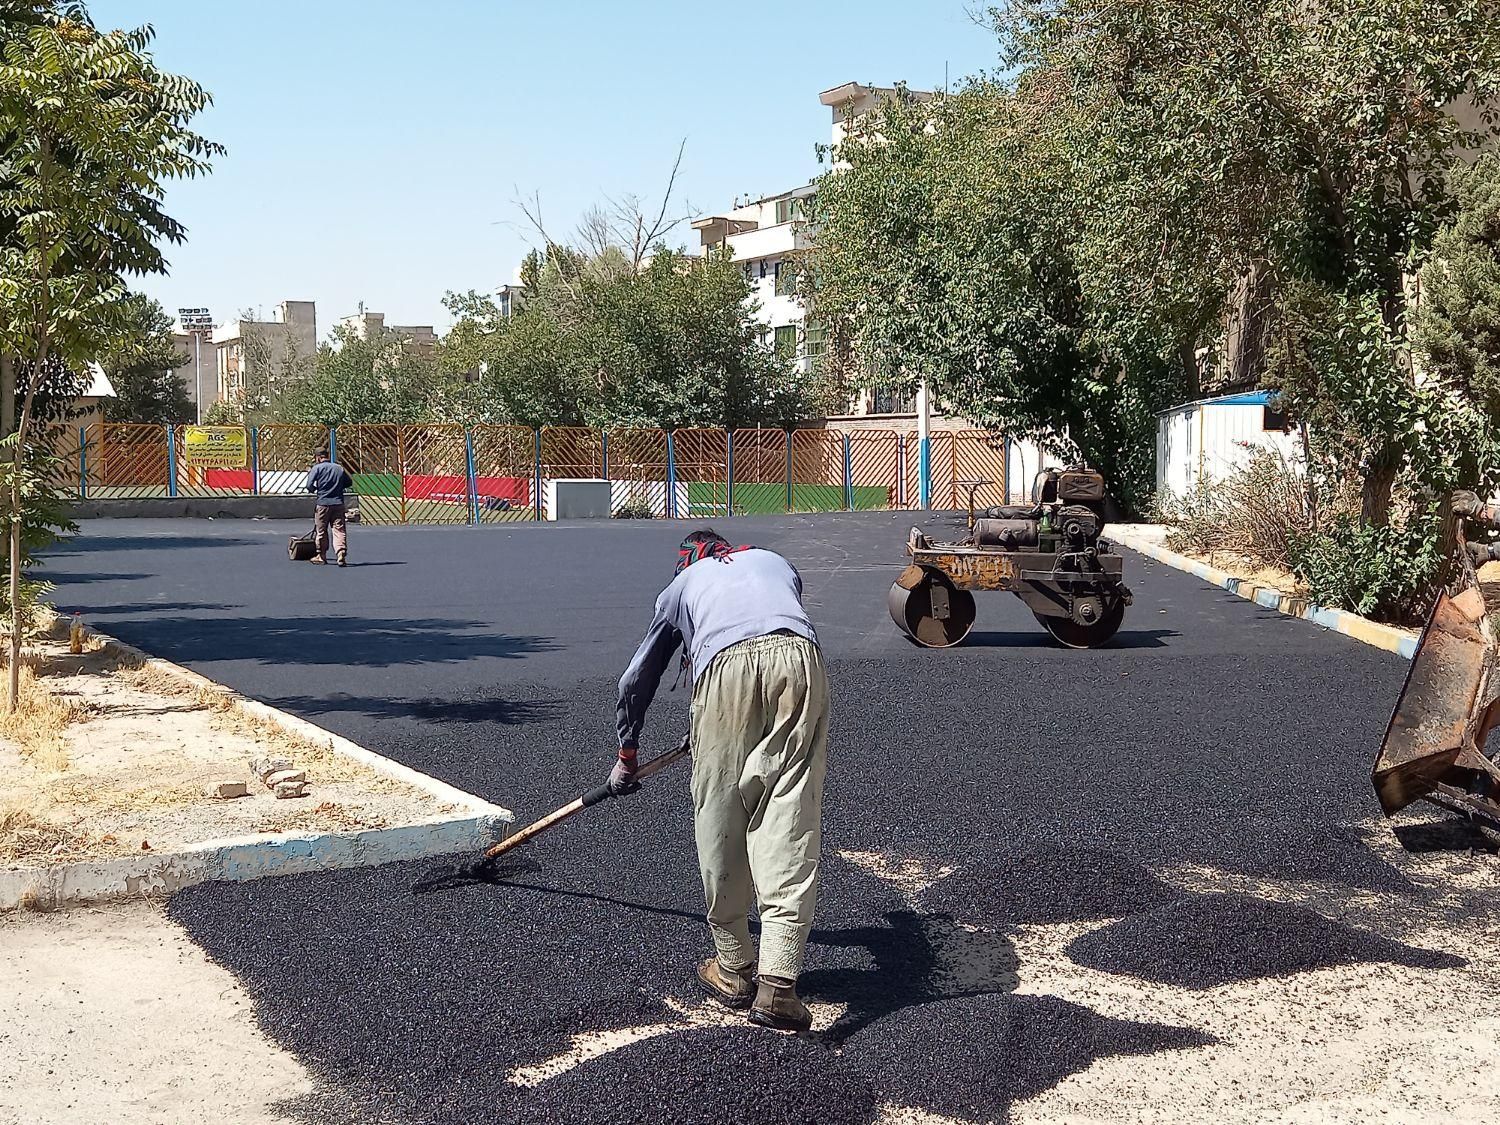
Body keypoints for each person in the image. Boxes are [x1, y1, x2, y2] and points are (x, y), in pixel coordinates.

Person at [613, 528, 829, 1033]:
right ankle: (778, 984)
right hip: (799, 662)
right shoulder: (774, 561)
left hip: (723, 674)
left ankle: (733, 969)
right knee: (786, 811)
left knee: (719, 813)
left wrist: (627, 752)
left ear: (686, 562)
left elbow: (636, 680)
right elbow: (768, 622)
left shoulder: (681, 586)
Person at [305, 447, 353, 566]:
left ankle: (321, 556)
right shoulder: (338, 468)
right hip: (338, 503)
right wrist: (337, 487)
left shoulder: (317, 468)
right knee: (339, 529)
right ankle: (341, 552)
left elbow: (309, 485)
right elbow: (348, 482)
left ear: (318, 457)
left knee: (321, 531)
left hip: (323, 503)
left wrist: (316, 489)